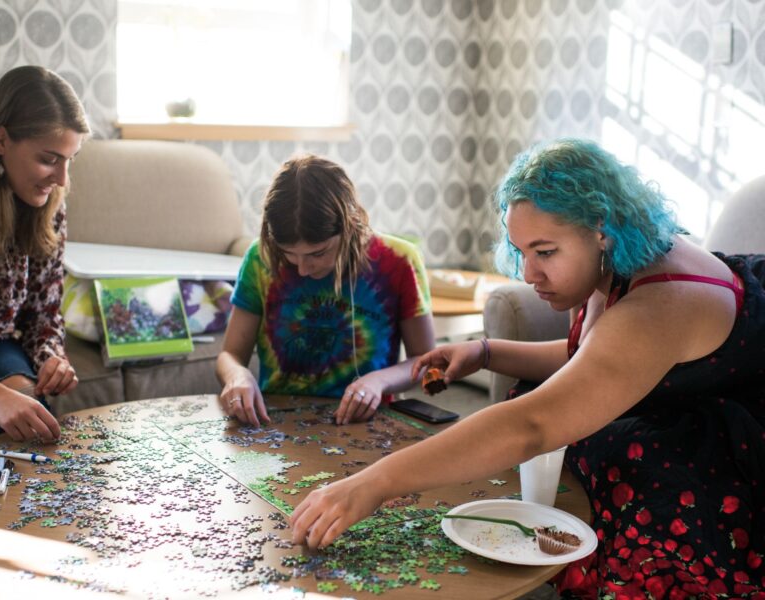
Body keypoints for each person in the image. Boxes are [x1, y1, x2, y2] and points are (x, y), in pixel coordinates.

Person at [289, 139, 764, 598]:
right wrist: (484, 352)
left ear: (601, 228)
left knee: (607, 446)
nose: (529, 274)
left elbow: (536, 424)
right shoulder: (620, 256)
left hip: (732, 451)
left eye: (545, 252)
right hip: (684, 395)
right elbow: (592, 358)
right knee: (535, 397)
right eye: (522, 252)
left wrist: (373, 482)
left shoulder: (659, 305)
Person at [216, 155, 435, 427]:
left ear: (350, 224)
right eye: (289, 255)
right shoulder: (259, 258)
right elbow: (230, 355)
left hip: (365, 424)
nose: (303, 269)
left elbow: (426, 363)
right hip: (275, 423)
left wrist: (379, 381)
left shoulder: (399, 261)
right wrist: (237, 375)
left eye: (317, 253)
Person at [0, 66, 90, 449]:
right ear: (0, 140)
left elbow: (42, 313)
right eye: (50, 159)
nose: (63, 179)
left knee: (28, 409)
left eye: (70, 159)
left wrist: (52, 358)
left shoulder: (48, 206)